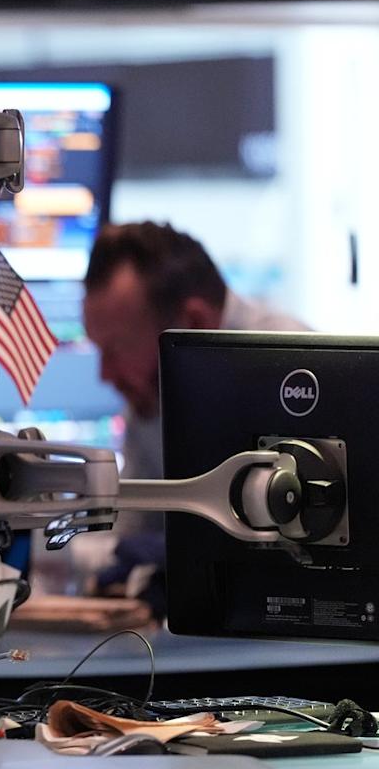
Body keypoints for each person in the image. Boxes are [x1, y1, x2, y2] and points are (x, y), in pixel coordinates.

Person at [81, 221, 307, 612]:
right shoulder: (150, 395)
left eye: (115, 349)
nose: (105, 374)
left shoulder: (296, 371)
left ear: (195, 324)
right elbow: (129, 533)